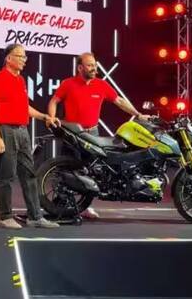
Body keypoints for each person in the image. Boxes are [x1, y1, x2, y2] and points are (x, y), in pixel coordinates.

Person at [47, 52, 149, 218]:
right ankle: (61, 205)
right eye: (89, 65)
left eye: (94, 65)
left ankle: (85, 206)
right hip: (72, 133)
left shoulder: (101, 85)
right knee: (66, 169)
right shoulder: (68, 83)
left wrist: (137, 114)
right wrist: (51, 117)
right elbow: (54, 101)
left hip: (92, 134)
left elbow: (119, 101)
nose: (94, 68)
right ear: (80, 68)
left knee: (90, 171)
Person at [0, 44, 60, 230]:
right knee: (7, 176)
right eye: (20, 56)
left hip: (23, 131)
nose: (24, 60)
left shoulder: (20, 80)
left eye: (25, 57)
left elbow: (25, 108)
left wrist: (44, 116)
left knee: (29, 174)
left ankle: (35, 217)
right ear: (8, 58)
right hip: (6, 130)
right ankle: (6, 216)